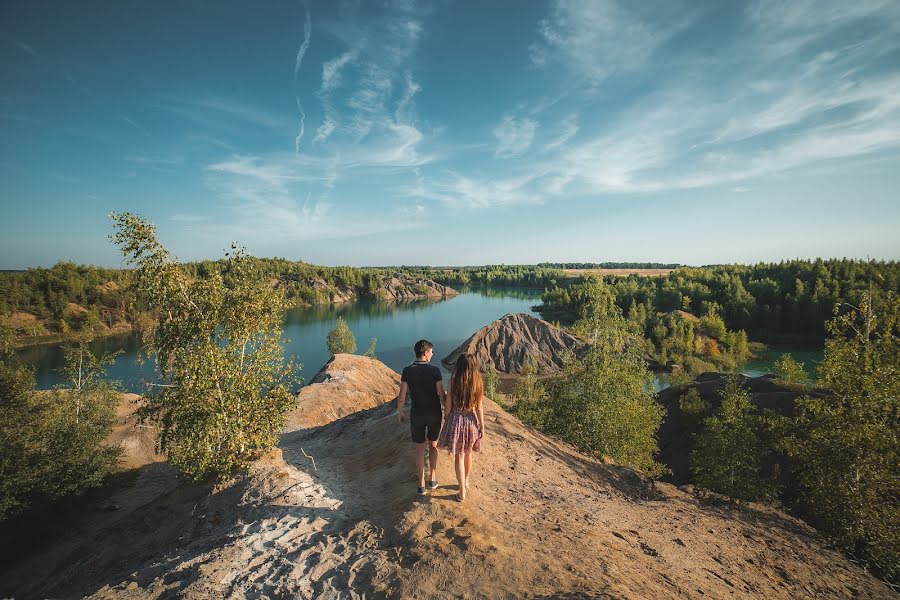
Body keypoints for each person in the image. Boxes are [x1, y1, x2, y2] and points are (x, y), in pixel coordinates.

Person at [397, 339, 446, 495]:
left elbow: (402, 396)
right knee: (433, 446)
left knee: (419, 450)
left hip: (417, 414)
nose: (432, 354)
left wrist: (400, 412)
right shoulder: (435, 371)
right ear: (425, 353)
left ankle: (421, 484)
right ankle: (432, 478)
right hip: (434, 414)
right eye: (431, 351)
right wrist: (448, 409)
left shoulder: (407, 370)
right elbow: (441, 394)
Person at [437, 353, 485, 502]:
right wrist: (481, 425)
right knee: (468, 453)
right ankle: (466, 481)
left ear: (460, 365)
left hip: (456, 419)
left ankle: (462, 491)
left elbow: (449, 403)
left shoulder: (453, 380)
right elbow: (479, 406)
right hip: (471, 422)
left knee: (459, 456)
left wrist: (446, 416)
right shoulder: (478, 381)